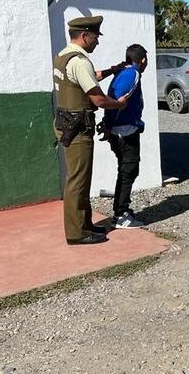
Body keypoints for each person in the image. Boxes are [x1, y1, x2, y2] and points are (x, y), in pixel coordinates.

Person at [53, 16, 128, 245]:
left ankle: (84, 223)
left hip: (66, 123)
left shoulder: (63, 57)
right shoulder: (80, 61)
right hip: (78, 128)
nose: (97, 42)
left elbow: (88, 79)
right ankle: (77, 233)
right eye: (95, 37)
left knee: (80, 178)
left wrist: (111, 70)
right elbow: (97, 99)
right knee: (77, 180)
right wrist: (118, 103)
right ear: (85, 35)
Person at [102, 44, 149, 229]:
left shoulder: (123, 72)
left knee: (126, 169)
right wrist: (114, 118)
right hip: (125, 131)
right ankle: (121, 214)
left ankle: (121, 211)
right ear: (143, 60)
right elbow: (118, 98)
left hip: (120, 129)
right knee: (129, 170)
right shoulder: (132, 74)